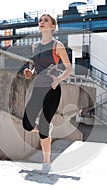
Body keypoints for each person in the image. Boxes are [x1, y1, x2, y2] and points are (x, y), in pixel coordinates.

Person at [22, 13, 72, 172]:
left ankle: (46, 162)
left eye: (46, 20)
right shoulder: (35, 46)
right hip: (38, 88)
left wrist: (58, 80)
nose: (41, 22)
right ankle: (44, 129)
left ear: (52, 26)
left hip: (52, 89)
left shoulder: (57, 46)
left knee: (44, 125)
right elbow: (37, 68)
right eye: (40, 20)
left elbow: (69, 69)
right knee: (27, 124)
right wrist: (31, 73)